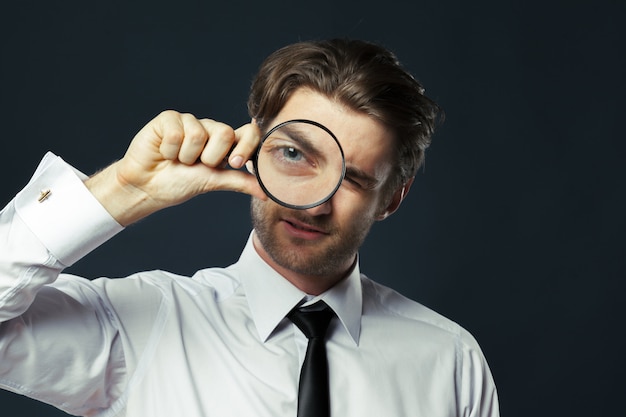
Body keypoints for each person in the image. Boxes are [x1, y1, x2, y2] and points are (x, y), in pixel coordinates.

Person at [0, 39, 499, 416]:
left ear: (392, 197)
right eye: (294, 155)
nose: (313, 204)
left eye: (352, 179)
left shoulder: (450, 361)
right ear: (254, 150)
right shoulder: (139, 325)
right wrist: (124, 192)